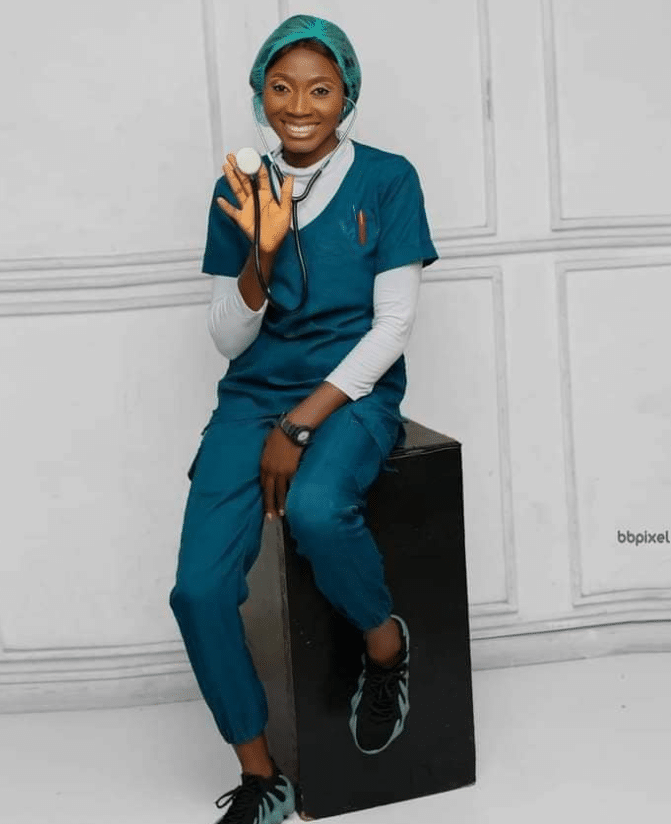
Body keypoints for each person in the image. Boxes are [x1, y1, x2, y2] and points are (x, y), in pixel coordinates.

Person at [169, 13, 438, 824]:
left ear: (346, 96)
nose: (298, 105)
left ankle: (385, 647)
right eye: (281, 88)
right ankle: (263, 778)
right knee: (197, 590)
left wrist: (297, 427)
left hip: (352, 392)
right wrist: (260, 251)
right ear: (260, 95)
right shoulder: (239, 188)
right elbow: (228, 337)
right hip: (252, 393)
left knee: (319, 509)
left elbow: (391, 327)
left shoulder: (387, 179)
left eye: (319, 90)